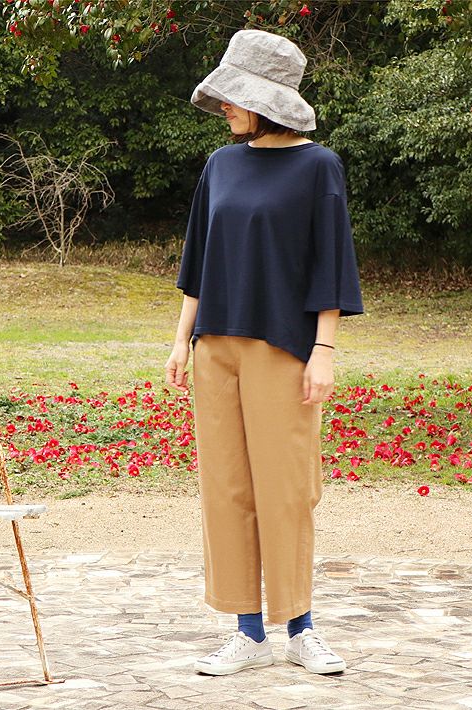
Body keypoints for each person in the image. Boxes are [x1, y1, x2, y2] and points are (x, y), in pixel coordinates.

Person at [165, 29, 363, 677]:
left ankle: (300, 628)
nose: (224, 104)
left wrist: (323, 350)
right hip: (215, 346)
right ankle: (247, 633)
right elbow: (198, 261)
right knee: (227, 490)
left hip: (283, 348)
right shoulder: (220, 165)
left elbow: (331, 265)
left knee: (286, 490)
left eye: (234, 95)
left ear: (266, 101)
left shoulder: (319, 167)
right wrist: (180, 339)